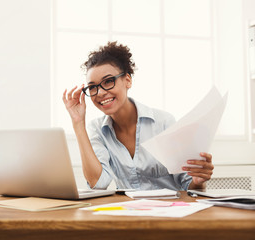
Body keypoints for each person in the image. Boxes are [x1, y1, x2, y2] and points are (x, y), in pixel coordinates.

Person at [62, 41, 214, 191]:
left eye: (108, 81)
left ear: (127, 80)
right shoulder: (97, 129)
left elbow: (189, 185)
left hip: (170, 212)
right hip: (128, 213)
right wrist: (78, 123)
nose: (100, 92)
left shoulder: (163, 122)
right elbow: (98, 183)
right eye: (92, 87)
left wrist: (198, 181)